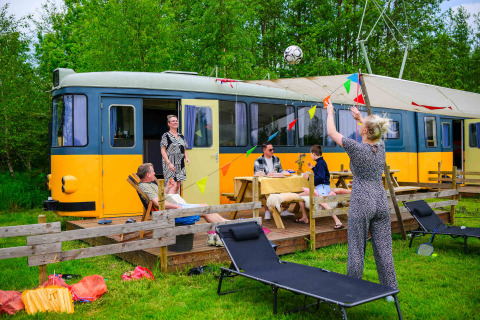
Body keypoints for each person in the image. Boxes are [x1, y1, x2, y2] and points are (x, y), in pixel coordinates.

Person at [326, 101, 398, 292]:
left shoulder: (356, 148)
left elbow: (332, 133)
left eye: (362, 125)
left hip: (361, 200)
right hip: (380, 200)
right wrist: (360, 118)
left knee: (357, 249)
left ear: (365, 131)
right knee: (384, 249)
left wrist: (330, 112)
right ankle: (390, 290)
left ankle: (352, 289)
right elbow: (373, 129)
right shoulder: (381, 147)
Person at [137, 163, 227, 247]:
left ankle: (227, 224)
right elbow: (157, 202)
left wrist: (168, 187)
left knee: (205, 206)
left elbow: (160, 196)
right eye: (153, 171)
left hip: (173, 207)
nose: (154, 173)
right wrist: (176, 206)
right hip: (171, 212)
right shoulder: (145, 186)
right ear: (148, 175)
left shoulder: (149, 184)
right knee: (205, 209)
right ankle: (227, 226)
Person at [296, 145, 344, 229]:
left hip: (322, 187)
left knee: (321, 201)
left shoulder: (320, 163)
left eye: (310, 154)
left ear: (314, 154)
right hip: (321, 187)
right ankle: (305, 217)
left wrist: (308, 178)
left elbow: (321, 178)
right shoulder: (320, 163)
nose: (310, 156)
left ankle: (337, 221)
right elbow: (321, 174)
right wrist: (313, 168)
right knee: (300, 196)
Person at [253, 143, 294, 220]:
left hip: (277, 183)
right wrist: (267, 174)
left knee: (288, 188)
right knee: (266, 191)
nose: (272, 151)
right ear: (264, 150)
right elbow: (256, 174)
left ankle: (285, 210)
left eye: (273, 149)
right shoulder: (258, 161)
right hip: (265, 184)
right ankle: (267, 211)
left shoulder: (277, 159)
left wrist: (287, 171)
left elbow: (280, 170)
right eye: (270, 150)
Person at [160, 115, 189, 191]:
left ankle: (176, 202)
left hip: (180, 164)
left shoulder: (181, 136)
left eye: (176, 121)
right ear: (169, 124)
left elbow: (184, 148)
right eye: (173, 121)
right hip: (171, 163)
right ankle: (170, 202)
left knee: (177, 187)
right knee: (172, 185)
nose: (175, 122)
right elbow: (162, 150)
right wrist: (168, 163)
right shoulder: (166, 135)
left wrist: (187, 158)